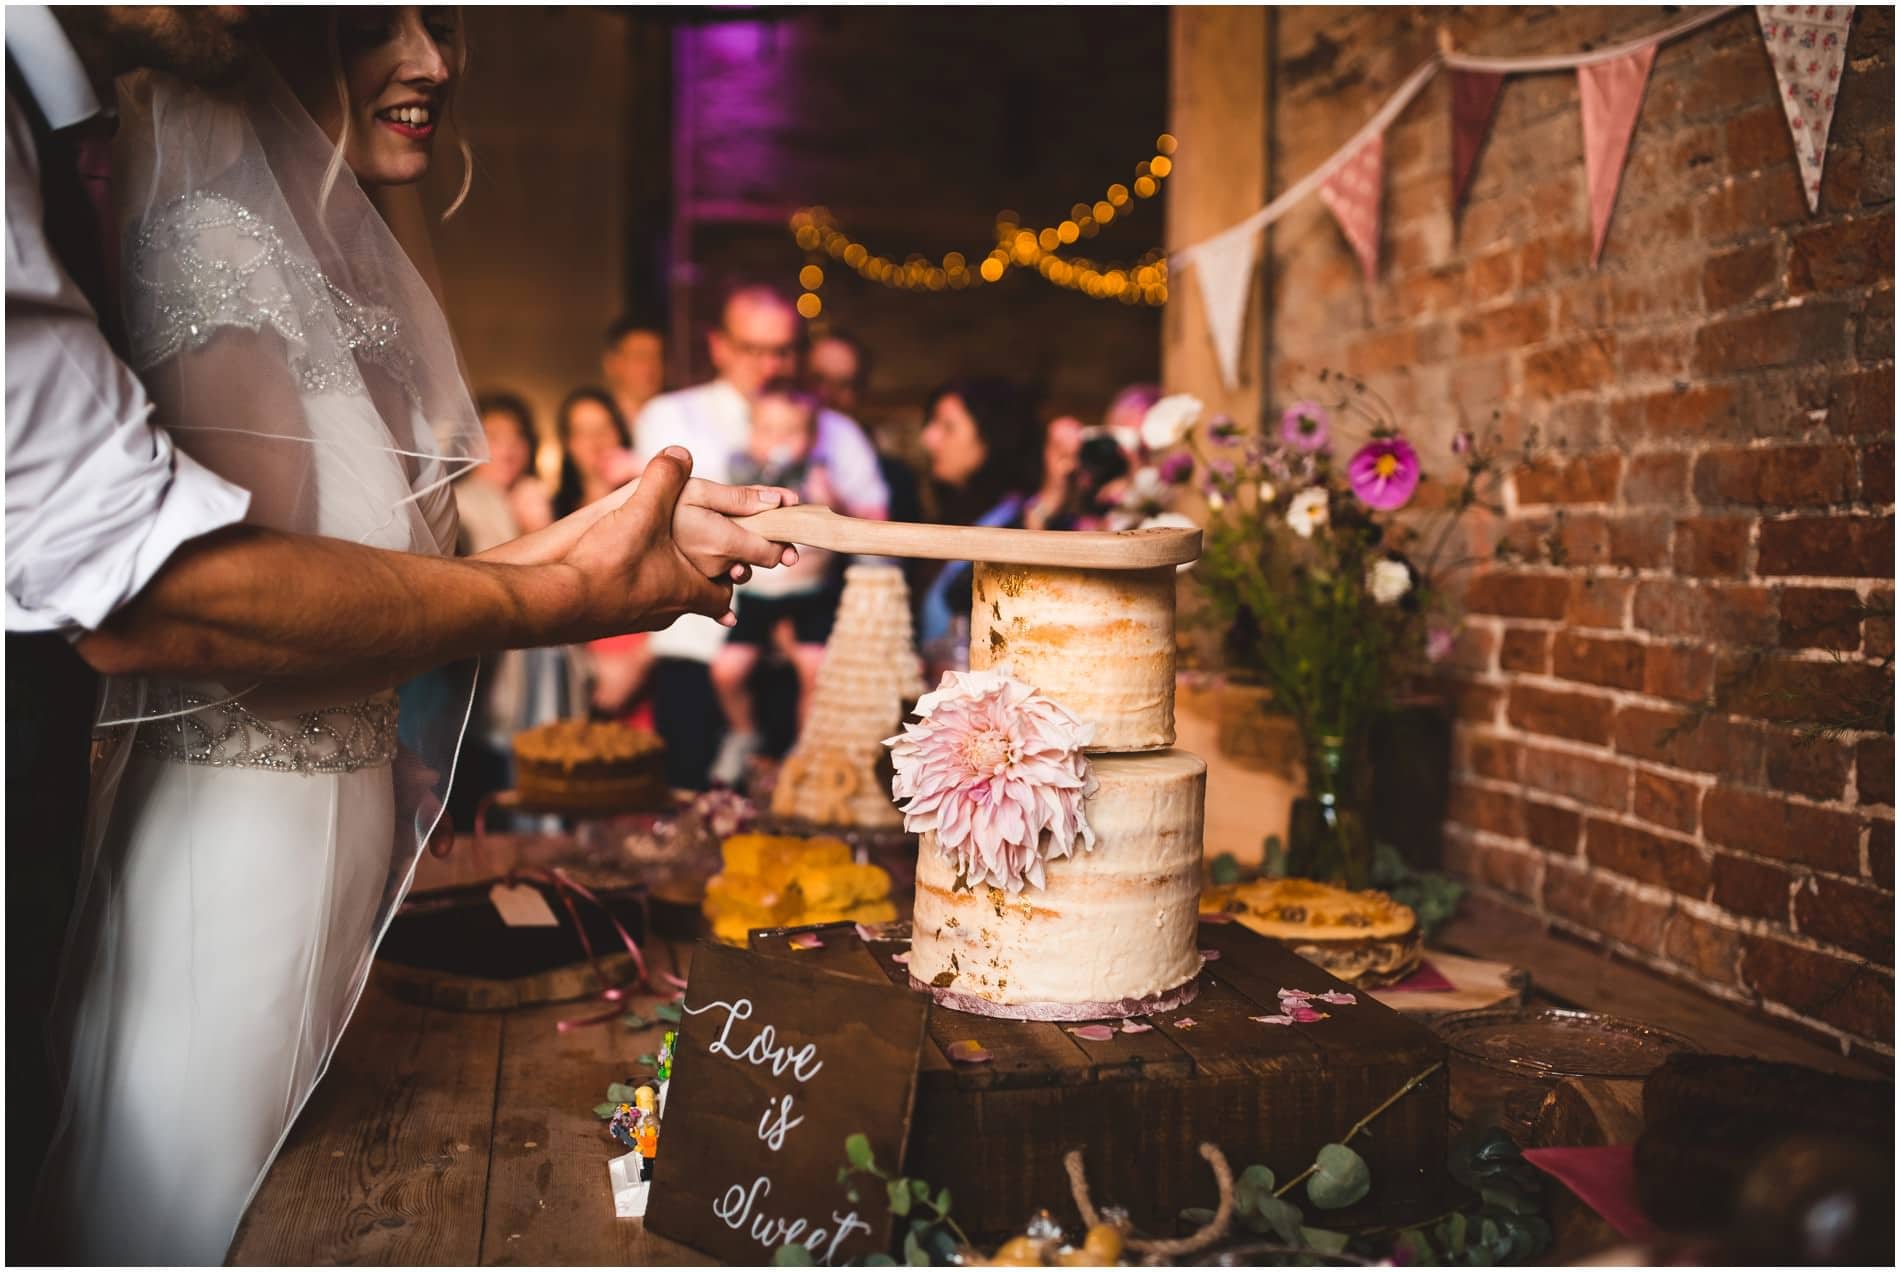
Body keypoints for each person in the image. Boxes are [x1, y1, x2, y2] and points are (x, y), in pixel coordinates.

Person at [13, 10, 795, 1264]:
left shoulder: (309, 263)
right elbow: (224, 606)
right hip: (240, 845)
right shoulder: (213, 250)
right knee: (190, 1220)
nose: (436, 59)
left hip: (323, 834)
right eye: (384, 18)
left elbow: (369, 588)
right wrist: (577, 587)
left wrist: (622, 531)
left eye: (443, 24)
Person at [636, 285, 889, 787]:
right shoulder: (670, 418)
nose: (771, 365)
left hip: (803, 661)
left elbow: (879, 550)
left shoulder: (838, 433)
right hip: (698, 652)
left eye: (784, 351)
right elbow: (656, 535)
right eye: (754, 349)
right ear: (719, 345)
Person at [708, 379, 839, 786]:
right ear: (750, 432)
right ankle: (743, 732)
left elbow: (837, 525)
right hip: (760, 594)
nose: (777, 442)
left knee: (815, 669)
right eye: (767, 431)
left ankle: (806, 748)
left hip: (808, 594)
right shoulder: (742, 472)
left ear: (812, 437)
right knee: (726, 670)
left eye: (791, 433)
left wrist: (825, 496)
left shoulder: (817, 475)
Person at [451, 392, 560, 813]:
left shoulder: (533, 495)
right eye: (494, 436)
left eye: (518, 437)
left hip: (534, 670)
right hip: (487, 679)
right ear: (469, 444)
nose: (509, 448)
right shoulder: (462, 503)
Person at [914, 378, 1044, 677]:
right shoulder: (956, 513)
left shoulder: (1020, 520)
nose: (928, 438)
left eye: (947, 427)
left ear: (991, 436)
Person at [552, 388, 654, 727]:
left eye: (604, 428)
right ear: (567, 443)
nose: (594, 442)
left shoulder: (650, 503)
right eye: (581, 432)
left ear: (621, 431)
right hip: (577, 675)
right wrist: (587, 667)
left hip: (648, 660)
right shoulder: (551, 513)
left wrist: (639, 662)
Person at [809, 329, 922, 526]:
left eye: (842, 384)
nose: (826, 393)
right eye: (818, 379)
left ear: (861, 393)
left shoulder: (896, 479)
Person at [602, 316, 665, 426]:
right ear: (612, 364)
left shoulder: (674, 421)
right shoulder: (599, 423)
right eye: (640, 356)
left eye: (657, 357)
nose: (650, 366)